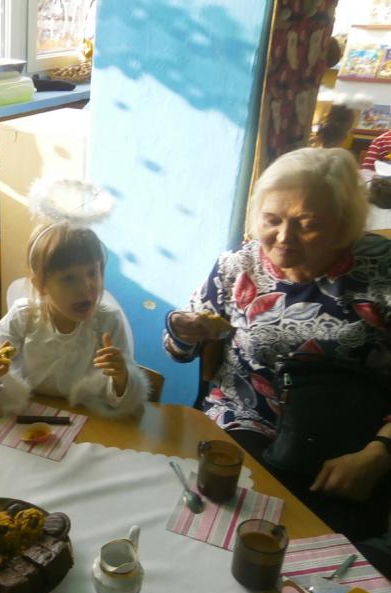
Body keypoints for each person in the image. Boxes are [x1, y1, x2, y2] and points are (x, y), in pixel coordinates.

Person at [163, 147, 391, 570]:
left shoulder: (382, 272)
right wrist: (182, 329)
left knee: (312, 566)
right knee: (204, 542)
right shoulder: (238, 266)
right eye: (272, 220)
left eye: (308, 224)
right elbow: (179, 350)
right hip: (241, 424)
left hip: (345, 448)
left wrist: (379, 453)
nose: (284, 238)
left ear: (343, 223)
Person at [0, 222, 149, 417]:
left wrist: (121, 376)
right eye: (68, 278)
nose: (86, 287)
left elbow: (123, 398)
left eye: (93, 272)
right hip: (28, 413)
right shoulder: (22, 318)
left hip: (87, 416)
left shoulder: (108, 322)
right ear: (41, 285)